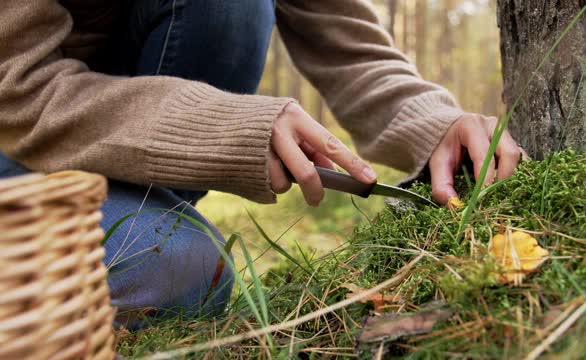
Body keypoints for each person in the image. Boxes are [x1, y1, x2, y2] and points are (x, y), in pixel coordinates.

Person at [0, 0, 523, 327]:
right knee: (179, 272)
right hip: (19, 143)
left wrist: (436, 122)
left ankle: (151, 221)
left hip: (113, 151)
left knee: (190, 270)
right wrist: (224, 126)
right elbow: (16, 90)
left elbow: (351, 47)